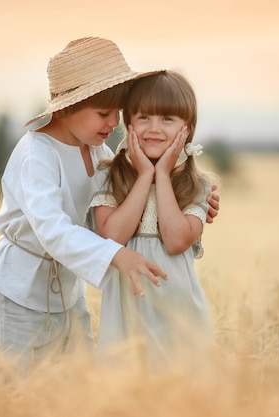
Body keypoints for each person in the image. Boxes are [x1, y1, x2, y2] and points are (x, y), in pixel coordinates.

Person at [0, 38, 219, 374]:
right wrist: (117, 255)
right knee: (15, 388)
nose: (114, 122)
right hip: (18, 291)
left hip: (67, 293)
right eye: (104, 113)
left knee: (81, 386)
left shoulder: (98, 152)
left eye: (118, 112)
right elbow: (53, 230)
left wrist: (196, 199)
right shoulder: (37, 154)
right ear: (65, 108)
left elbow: (125, 198)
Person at [86, 70, 218, 366]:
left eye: (167, 119)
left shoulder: (199, 185)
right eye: (144, 117)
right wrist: (145, 175)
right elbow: (113, 237)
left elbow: (175, 241)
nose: (154, 128)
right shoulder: (110, 175)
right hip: (126, 312)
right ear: (128, 122)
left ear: (187, 128)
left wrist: (163, 174)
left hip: (178, 312)